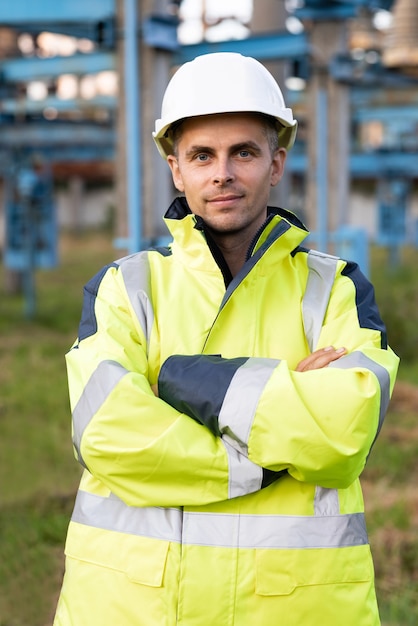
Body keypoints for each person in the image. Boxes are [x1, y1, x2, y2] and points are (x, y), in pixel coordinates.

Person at [53, 52, 399, 626]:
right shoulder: (125, 287)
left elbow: (342, 430)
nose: (223, 174)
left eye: (243, 152)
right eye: (201, 156)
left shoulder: (335, 288)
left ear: (276, 163)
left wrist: (181, 379)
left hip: (294, 610)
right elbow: (108, 433)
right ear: (176, 169)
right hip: (133, 607)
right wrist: (272, 447)